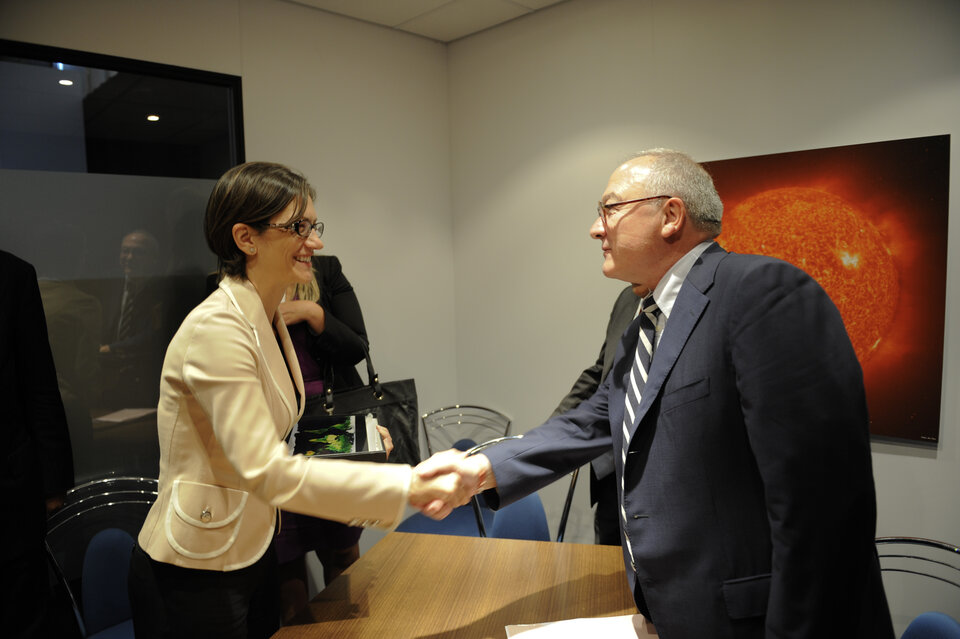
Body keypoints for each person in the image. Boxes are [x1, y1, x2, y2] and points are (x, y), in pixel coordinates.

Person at [419, 149, 894, 638]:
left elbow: (821, 511)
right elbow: (595, 418)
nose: (595, 228)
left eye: (609, 209)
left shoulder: (763, 293)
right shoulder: (642, 318)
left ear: (670, 216)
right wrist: (480, 467)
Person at [128, 161, 468, 639]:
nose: (316, 241)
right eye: (298, 227)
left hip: (250, 546)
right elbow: (263, 467)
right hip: (198, 567)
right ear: (246, 238)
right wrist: (403, 486)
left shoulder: (263, 317)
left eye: (314, 226)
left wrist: (352, 439)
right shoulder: (218, 329)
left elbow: (280, 435)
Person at [274, 254, 380, 621]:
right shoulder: (236, 287)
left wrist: (311, 313)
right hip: (276, 431)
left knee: (343, 546)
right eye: (300, 225)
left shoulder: (326, 270)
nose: (312, 238)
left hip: (332, 423)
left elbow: (357, 347)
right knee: (285, 558)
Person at [0, 250, 75, 638]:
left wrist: (52, 482)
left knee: (21, 616)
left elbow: (38, 383)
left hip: (8, 491)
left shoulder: (12, 275)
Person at [550, 284, 643, 545]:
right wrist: (550, 432)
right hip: (609, 470)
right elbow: (604, 373)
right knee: (610, 567)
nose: (598, 239)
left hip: (659, 479)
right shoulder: (628, 298)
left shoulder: (699, 292)